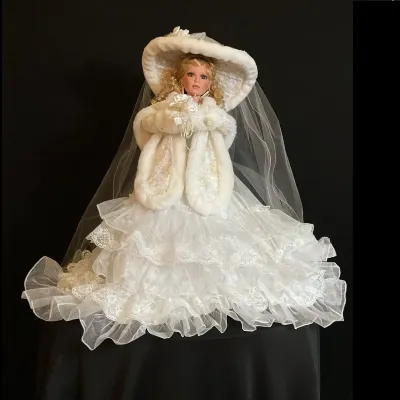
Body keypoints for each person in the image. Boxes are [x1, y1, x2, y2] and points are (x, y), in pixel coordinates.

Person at [22, 26, 346, 351]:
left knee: (218, 239)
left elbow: (225, 137)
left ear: (210, 83)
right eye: (191, 74)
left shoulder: (214, 112)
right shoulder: (165, 108)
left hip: (205, 185)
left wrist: (208, 123)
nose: (196, 81)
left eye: (204, 77)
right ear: (179, 77)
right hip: (166, 185)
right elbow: (145, 128)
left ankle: (212, 294)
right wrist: (174, 121)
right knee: (154, 241)